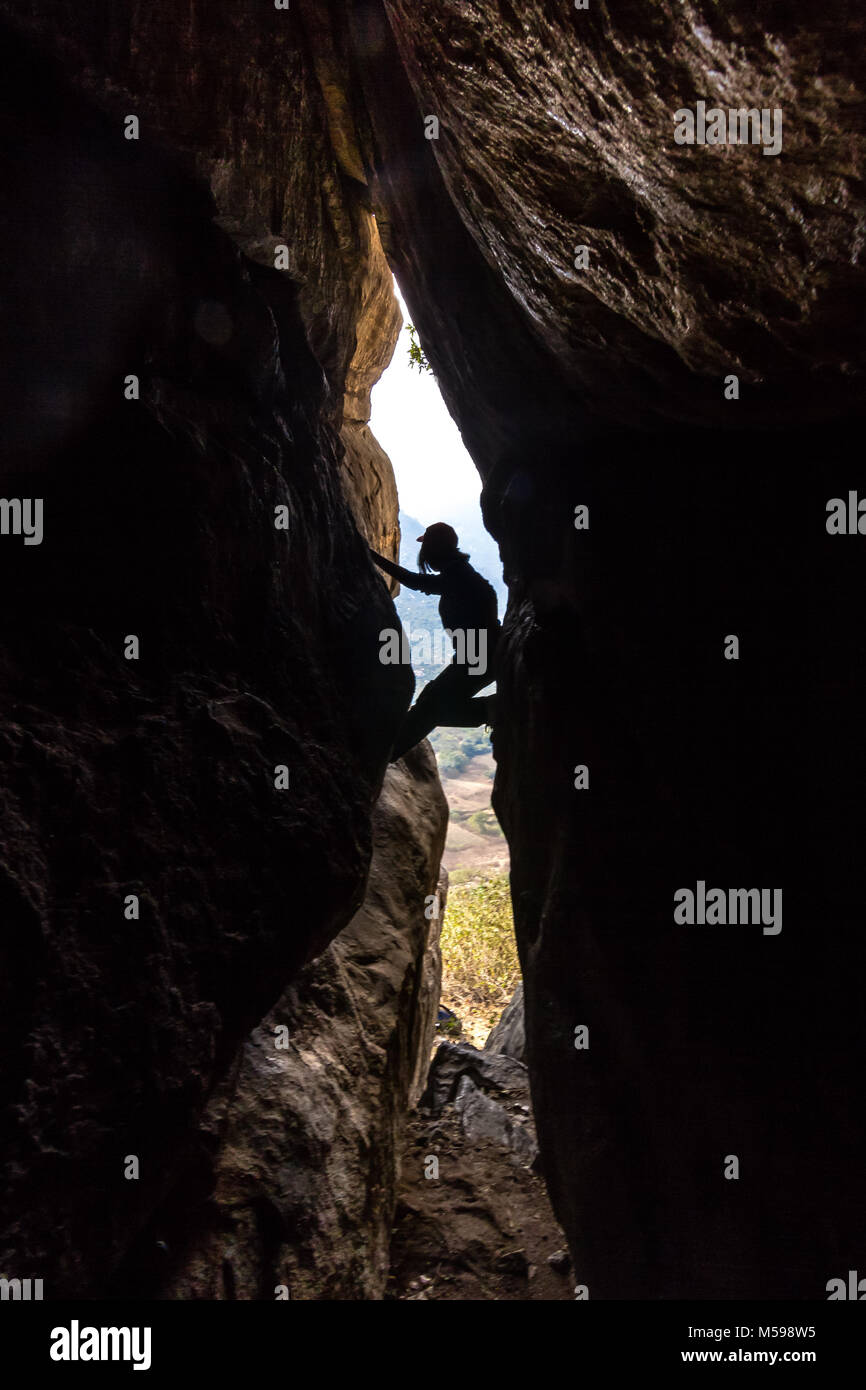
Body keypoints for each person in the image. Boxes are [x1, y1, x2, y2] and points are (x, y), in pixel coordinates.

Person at [369, 522, 501, 761]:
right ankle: (491, 709)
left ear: (433, 549)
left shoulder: (458, 577)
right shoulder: (459, 573)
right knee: (432, 704)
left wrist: (369, 555)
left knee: (431, 706)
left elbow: (415, 581)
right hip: (481, 654)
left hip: (479, 656)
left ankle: (383, 753)